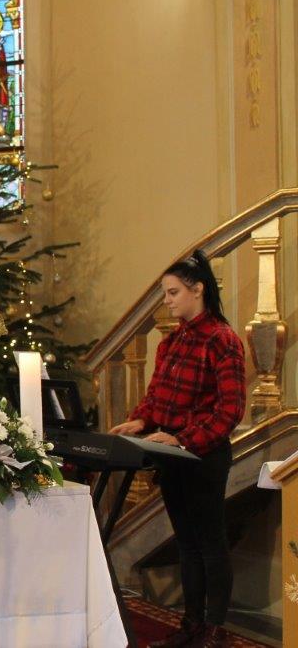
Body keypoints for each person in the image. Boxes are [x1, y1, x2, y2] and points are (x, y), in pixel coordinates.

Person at [110, 251, 245, 648]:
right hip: (172, 457)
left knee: (210, 544)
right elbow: (158, 398)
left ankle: (214, 630)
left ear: (197, 289)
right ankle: (191, 625)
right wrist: (141, 421)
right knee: (186, 543)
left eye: (172, 293)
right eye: (165, 293)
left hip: (204, 456)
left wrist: (183, 438)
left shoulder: (222, 340)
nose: (166, 301)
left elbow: (230, 410)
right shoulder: (170, 343)